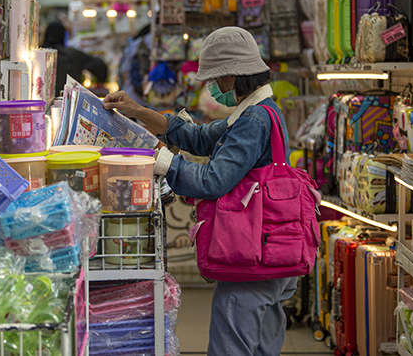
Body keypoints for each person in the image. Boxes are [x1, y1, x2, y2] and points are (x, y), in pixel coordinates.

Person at [103, 26, 297, 356]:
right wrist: (138, 112)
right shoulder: (260, 112)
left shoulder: (254, 121)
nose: (211, 86)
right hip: (273, 249)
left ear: (232, 77)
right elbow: (201, 137)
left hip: (253, 254)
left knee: (231, 343)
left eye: (214, 78)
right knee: (262, 342)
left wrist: (162, 162)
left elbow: (213, 181)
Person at [43, 21, 108, 91]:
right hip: (70, 99)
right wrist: (99, 83)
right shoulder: (74, 55)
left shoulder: (39, 55)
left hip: (41, 100)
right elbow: (100, 66)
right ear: (63, 36)